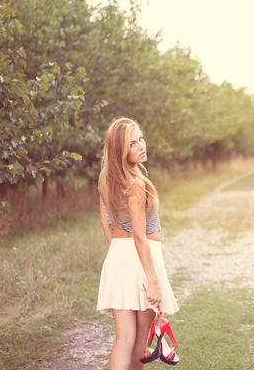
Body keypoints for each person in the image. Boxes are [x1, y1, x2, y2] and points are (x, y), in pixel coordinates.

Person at [96, 117, 179, 370]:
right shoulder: (137, 184)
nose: (141, 145)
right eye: (132, 143)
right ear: (120, 150)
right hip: (143, 259)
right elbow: (141, 237)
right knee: (140, 337)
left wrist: (118, 254)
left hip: (118, 256)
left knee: (124, 338)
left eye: (140, 138)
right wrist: (151, 278)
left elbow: (105, 224)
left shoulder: (104, 177)